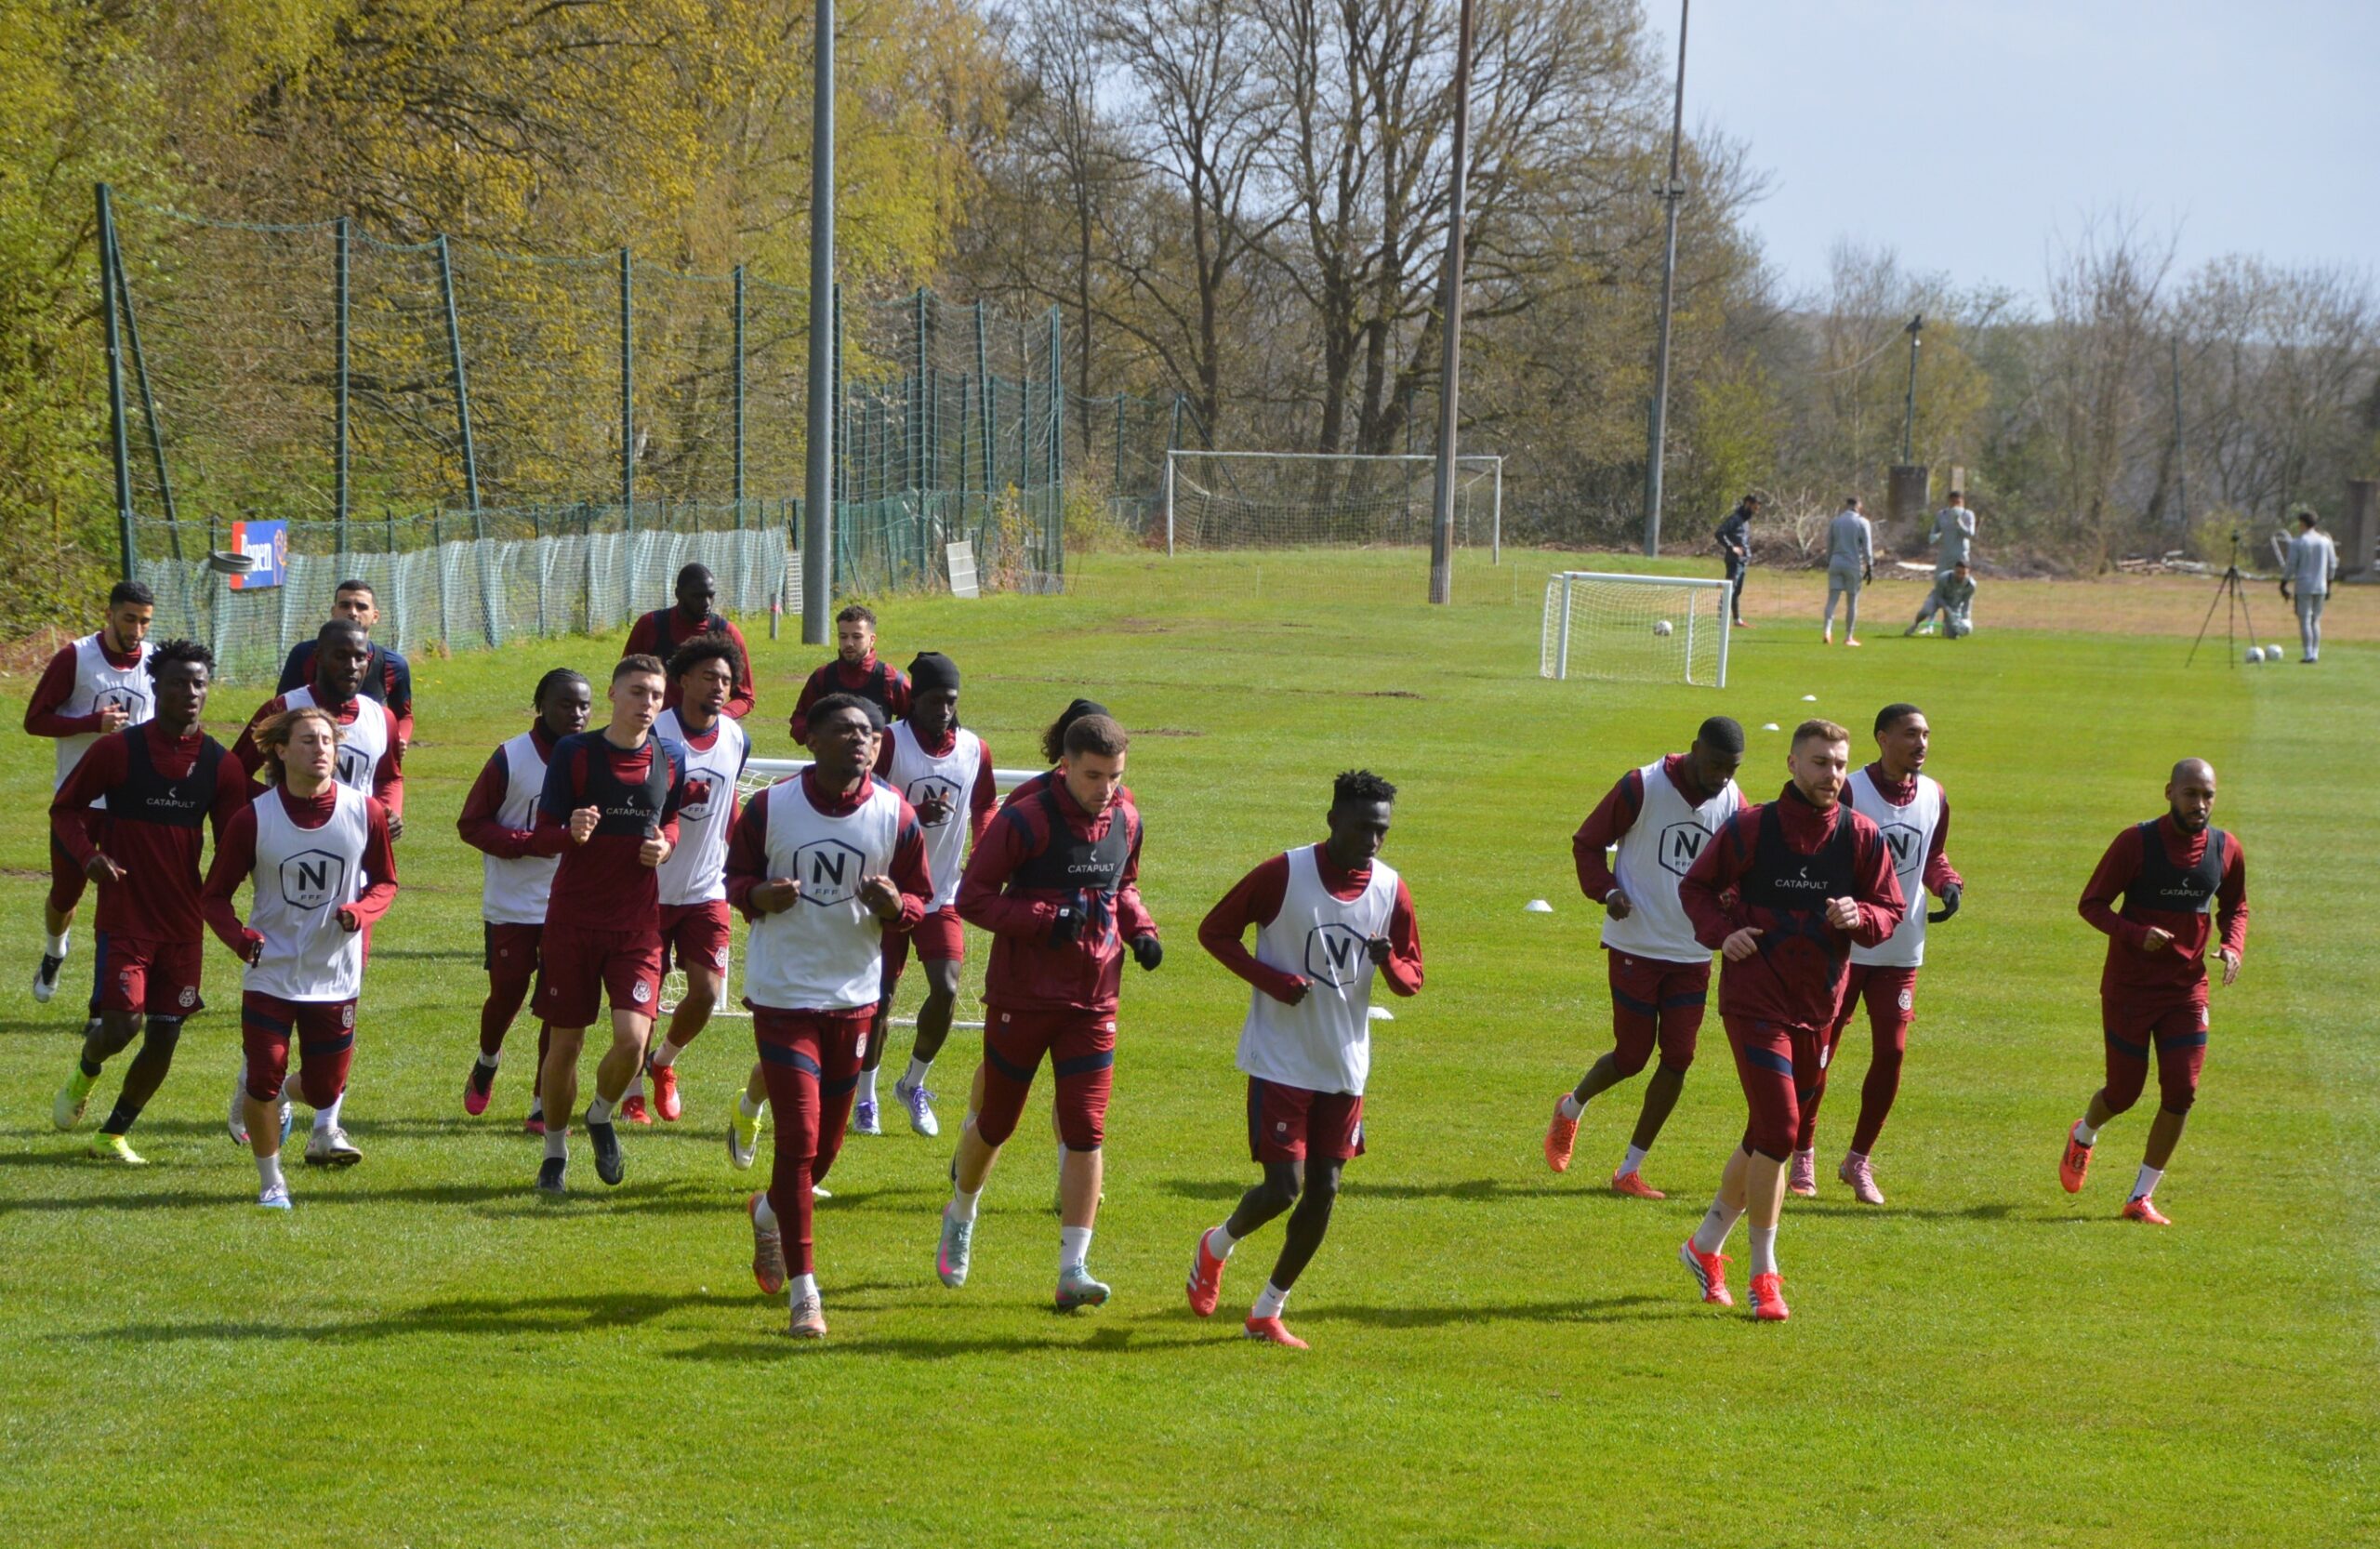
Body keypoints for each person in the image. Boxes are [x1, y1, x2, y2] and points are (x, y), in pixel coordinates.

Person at [1673, 719, 1903, 1321]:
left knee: (1765, 1132)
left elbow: (1890, 908)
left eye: (1840, 764)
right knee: (1781, 1129)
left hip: (1819, 1007)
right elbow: (1697, 889)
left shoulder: (1860, 836)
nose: (1832, 774)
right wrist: (1723, 934)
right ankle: (1764, 1275)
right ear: (1792, 764)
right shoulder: (1751, 828)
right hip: (1754, 1000)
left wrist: (1861, 916)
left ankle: (1704, 1245)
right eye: (1820, 762)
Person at [1186, 771, 1423, 1348]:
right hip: (1281, 1060)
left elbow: (1412, 980)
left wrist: (1389, 962)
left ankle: (1267, 1311)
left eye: (1382, 831)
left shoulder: (1390, 889)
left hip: (1344, 1065)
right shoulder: (1283, 873)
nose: (1372, 841)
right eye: (1363, 828)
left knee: (1326, 1190)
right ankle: (1216, 1245)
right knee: (1282, 1189)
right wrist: (1272, 981)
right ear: (1333, 820)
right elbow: (1215, 932)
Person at [934, 713, 1158, 1310]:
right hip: (1024, 997)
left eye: (1115, 776)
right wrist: (1045, 919)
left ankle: (1073, 1268)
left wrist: (1141, 930)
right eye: (1094, 776)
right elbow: (972, 898)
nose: (1106, 788)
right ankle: (961, 1213)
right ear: (1065, 764)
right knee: (998, 1121)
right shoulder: (1025, 818)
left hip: (1094, 999)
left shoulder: (1127, 817)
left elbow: (1122, 886)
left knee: (1085, 1128)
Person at [725, 694, 932, 1337]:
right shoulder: (770, 807)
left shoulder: (895, 814)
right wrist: (757, 895)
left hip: (854, 998)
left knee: (827, 1149)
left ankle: (768, 1213)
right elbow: (733, 879)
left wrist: (896, 906)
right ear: (811, 740)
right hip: (783, 996)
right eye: (845, 730)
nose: (860, 740)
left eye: (868, 732)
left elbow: (921, 899)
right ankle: (805, 1295)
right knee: (799, 1138)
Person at [47, 641, 247, 1164]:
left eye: (199, 683)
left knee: (164, 1035)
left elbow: (237, 839)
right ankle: (86, 1070)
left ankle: (112, 1135)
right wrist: (88, 855)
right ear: (155, 687)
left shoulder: (219, 765)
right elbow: (64, 809)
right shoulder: (117, 751)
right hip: (126, 914)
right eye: (179, 682)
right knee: (122, 1027)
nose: (190, 692)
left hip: (183, 923)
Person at [201, 708, 399, 1203]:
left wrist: (361, 912)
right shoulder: (253, 818)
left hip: (334, 975)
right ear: (282, 751)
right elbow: (214, 896)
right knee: (263, 1075)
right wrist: (241, 939)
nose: (321, 750)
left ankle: (280, 1095)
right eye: (308, 741)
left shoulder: (365, 812)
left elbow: (385, 883)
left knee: (325, 1090)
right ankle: (272, 1184)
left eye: (327, 741)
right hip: (270, 973)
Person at [1545, 717, 1745, 1198]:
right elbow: (1587, 843)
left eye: (1731, 769)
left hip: (1693, 952)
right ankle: (1570, 1109)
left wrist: (1730, 902)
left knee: (1679, 1057)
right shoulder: (1642, 785)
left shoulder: (1733, 802)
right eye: (1715, 765)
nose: (1722, 777)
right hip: (1636, 945)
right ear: (1694, 748)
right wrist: (1607, 891)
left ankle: (1629, 1171)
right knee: (1632, 1057)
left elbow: (1743, 867)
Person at [525, 655, 688, 1194]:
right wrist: (570, 831)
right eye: (638, 692)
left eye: (656, 695)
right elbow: (543, 832)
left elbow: (669, 821)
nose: (648, 703)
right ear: (614, 695)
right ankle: (554, 1152)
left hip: (637, 926)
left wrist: (666, 847)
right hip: (573, 921)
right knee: (565, 1045)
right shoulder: (575, 753)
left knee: (633, 1042)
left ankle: (599, 1114)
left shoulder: (670, 757)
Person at [2059, 760, 2247, 1225]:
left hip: (2187, 991)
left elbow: (2235, 905)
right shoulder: (2136, 843)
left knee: (2182, 1091)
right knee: (2123, 1093)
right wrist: (2134, 932)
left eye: (2207, 795)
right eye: (2190, 794)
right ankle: (2084, 1133)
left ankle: (2140, 1197)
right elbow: (2091, 903)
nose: (2199, 804)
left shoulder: (2225, 848)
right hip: (2130, 989)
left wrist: (2232, 945)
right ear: (2169, 792)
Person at [1792, 704, 1962, 1204]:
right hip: (1845, 948)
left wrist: (1947, 883)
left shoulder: (1934, 795)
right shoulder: (1850, 790)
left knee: (1892, 1052)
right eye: (1910, 734)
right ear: (1883, 739)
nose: (1921, 743)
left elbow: (1932, 853)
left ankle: (1858, 1161)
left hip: (1902, 947)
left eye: (1926, 734)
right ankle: (1802, 1153)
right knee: (1820, 1054)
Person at [856, 651, 997, 1139]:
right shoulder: (891, 743)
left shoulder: (975, 749)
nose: (943, 710)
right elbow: (863, 800)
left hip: (942, 894)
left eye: (951, 701)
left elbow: (984, 804)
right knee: (879, 999)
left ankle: (913, 1083)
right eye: (935, 700)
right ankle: (866, 1096)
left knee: (948, 987)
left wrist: (983, 849)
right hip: (887, 895)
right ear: (915, 698)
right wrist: (913, 815)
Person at [623, 634, 751, 1124]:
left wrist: (745, 859)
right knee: (643, 1001)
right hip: (648, 892)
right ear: (683, 681)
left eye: (726, 680)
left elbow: (728, 800)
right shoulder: (656, 734)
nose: (719, 687)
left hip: (706, 889)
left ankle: (663, 1063)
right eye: (709, 677)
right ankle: (632, 1089)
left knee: (706, 993)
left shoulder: (736, 738)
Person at [456, 668, 592, 1129]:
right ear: (541, 706)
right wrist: (529, 842)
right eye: (565, 704)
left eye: (584, 706)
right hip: (512, 903)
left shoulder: (595, 758)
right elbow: (471, 824)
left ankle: (541, 1100)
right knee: (507, 993)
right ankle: (487, 1061)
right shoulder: (510, 758)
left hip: (570, 905)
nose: (576, 714)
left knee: (559, 1007)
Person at [24, 580, 155, 1005]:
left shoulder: (155, 662)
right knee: (66, 895)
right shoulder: (76, 657)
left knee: (122, 901)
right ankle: (55, 950)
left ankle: (105, 1004)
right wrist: (91, 723)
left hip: (130, 804)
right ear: (109, 614)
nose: (137, 629)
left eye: (145, 621)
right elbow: (35, 720)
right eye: (129, 619)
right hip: (77, 804)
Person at [235, 621, 404, 827]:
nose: (352, 666)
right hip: (290, 835)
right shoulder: (283, 708)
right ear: (318, 657)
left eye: (360, 657)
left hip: (357, 837)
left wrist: (387, 811)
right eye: (340, 656)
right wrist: (273, 803)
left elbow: (389, 778)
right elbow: (235, 772)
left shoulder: (382, 718)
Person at [276, 579, 415, 748]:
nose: (353, 612)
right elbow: (280, 709)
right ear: (333, 612)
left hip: (367, 750)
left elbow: (404, 716)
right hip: (311, 750)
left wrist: (400, 739)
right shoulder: (304, 654)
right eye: (345, 605)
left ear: (375, 616)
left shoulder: (393, 664)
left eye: (361, 607)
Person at [623, 563, 758, 718]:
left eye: (710, 596)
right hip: (655, 724)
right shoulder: (650, 626)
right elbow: (625, 680)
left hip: (705, 727)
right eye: (697, 596)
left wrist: (716, 719)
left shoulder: (727, 633)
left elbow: (745, 696)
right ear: (678, 594)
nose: (706, 603)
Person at [788, 603, 911, 742]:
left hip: (878, 756)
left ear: (872, 640)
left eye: (857, 637)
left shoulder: (891, 678)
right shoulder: (822, 677)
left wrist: (888, 742)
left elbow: (913, 723)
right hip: (833, 756)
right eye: (843, 637)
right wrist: (819, 735)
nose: (849, 643)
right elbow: (800, 720)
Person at [2280, 510, 2339, 664]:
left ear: (2303, 523)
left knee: (2305, 620)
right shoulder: (2325, 541)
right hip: (2321, 585)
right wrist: (2329, 584)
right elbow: (2332, 564)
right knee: (2315, 621)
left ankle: (2308, 654)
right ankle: (2315, 653)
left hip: (2304, 585)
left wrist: (2284, 582)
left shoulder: (2298, 542)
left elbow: (2291, 565)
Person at [1821, 496, 1873, 647]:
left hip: (1836, 562)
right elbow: (1867, 547)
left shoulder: (1836, 521)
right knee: (1852, 601)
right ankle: (1849, 636)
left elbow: (1829, 544)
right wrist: (1869, 565)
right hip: (1853, 563)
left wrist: (1829, 561)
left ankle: (1827, 631)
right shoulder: (1862, 522)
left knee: (1832, 600)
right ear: (1858, 505)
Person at [1714, 494, 1761, 629]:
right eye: (1754, 508)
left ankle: (1737, 620)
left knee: (1736, 592)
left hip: (1742, 561)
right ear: (1747, 504)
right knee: (1729, 590)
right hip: (1734, 561)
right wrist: (1731, 547)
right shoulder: (1735, 519)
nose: (1756, 512)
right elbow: (1719, 533)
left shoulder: (1745, 521)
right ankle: (1720, 622)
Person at [1905, 561, 1977, 638]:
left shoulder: (1971, 585)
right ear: (1954, 570)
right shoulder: (1944, 577)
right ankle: (1915, 624)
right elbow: (1938, 596)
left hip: (1953, 603)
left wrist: (1966, 619)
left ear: (1968, 573)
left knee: (1952, 636)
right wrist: (1947, 609)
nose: (1960, 576)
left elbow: (1967, 602)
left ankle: (1946, 629)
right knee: (1926, 611)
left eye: (1963, 573)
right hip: (1936, 598)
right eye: (1958, 572)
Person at [1929, 490, 1974, 575]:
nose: (1955, 505)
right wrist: (1934, 537)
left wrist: (1959, 523)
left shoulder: (1967, 514)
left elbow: (1970, 534)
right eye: (1953, 502)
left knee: (1960, 578)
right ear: (1949, 502)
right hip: (1945, 554)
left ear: (1963, 502)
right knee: (1941, 578)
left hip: (1960, 554)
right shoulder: (1942, 514)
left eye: (1958, 502)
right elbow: (1934, 531)